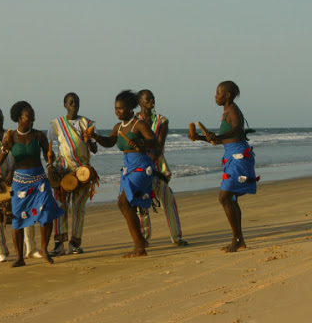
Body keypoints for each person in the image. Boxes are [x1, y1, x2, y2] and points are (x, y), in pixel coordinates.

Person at [88, 90, 159, 257]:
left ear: (130, 108)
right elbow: (109, 142)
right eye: (115, 108)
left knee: (124, 202)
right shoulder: (118, 127)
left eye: (120, 108)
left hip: (142, 166)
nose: (117, 111)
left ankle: (140, 243)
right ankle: (140, 243)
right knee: (125, 204)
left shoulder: (139, 124)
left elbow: (154, 142)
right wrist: (95, 137)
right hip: (128, 168)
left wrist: (141, 141)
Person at [189, 81, 258, 252]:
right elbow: (220, 139)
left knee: (225, 197)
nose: (216, 96)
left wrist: (218, 135)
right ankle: (238, 239)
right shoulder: (227, 112)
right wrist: (199, 137)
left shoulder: (233, 110)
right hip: (232, 156)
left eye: (218, 93)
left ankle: (237, 239)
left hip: (239, 157)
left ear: (227, 95)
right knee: (230, 198)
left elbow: (238, 129)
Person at [0, 101, 64, 267]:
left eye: (33, 117)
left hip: (39, 180)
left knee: (46, 214)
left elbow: (49, 156)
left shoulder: (38, 136)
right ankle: (20, 258)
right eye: (29, 117)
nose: (32, 120)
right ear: (20, 118)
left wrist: (50, 161)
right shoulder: (10, 137)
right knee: (18, 219)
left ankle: (44, 250)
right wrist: (4, 148)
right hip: (20, 183)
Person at [0, 107, 42, 262]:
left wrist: (11, 172)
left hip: (15, 179)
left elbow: (20, 155)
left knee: (25, 212)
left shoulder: (12, 135)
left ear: (3, 117)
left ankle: (31, 249)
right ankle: (1, 251)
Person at [47, 93, 98, 256]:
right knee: (60, 207)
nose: (74, 104)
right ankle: (59, 244)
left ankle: (75, 243)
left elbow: (95, 149)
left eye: (76, 102)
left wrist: (89, 140)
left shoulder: (88, 123)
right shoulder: (56, 124)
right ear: (65, 105)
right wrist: (49, 166)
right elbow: (48, 149)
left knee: (78, 208)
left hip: (82, 170)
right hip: (63, 171)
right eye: (70, 102)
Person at [136, 90, 188, 246]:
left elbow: (160, 144)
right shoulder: (134, 121)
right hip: (139, 167)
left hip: (157, 167)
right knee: (141, 205)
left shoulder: (161, 120)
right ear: (140, 101)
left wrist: (150, 161)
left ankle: (176, 236)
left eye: (152, 98)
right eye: (148, 99)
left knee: (168, 199)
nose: (152, 100)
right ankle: (143, 238)